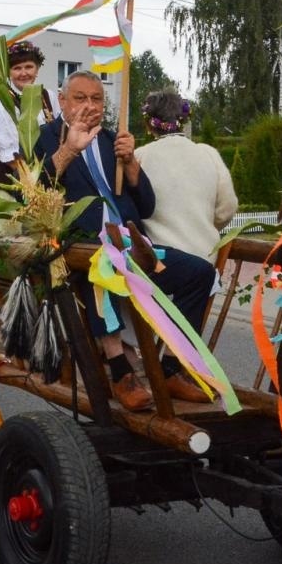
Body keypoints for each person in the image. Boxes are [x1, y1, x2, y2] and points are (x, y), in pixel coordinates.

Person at [36, 70, 216, 412]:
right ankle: (121, 371)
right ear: (62, 101)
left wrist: (131, 162)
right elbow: (36, 193)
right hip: (83, 247)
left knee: (200, 273)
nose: (90, 105)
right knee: (101, 261)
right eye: (80, 98)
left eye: (97, 98)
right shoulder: (46, 137)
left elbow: (146, 205)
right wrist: (68, 151)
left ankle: (171, 369)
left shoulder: (110, 139)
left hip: (133, 244)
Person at [133, 90, 237, 263]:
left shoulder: (139, 157)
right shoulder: (208, 154)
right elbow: (227, 208)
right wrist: (203, 226)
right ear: (184, 119)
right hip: (204, 259)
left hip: (157, 262)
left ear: (149, 124)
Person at [0, 40, 56, 186]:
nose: (23, 73)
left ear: (37, 69)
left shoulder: (48, 96)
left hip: (40, 175)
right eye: (17, 68)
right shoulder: (3, 104)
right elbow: (12, 158)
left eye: (29, 67)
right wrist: (34, 187)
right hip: (8, 180)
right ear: (9, 73)